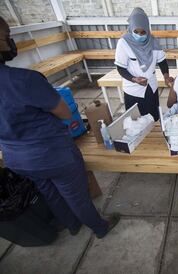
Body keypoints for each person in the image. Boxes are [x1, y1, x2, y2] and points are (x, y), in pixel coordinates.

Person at [0, 16, 119, 239]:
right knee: (76, 194)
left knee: (48, 190)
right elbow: (64, 112)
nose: (10, 41)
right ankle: (100, 227)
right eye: (7, 36)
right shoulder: (24, 80)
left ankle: (72, 225)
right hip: (51, 154)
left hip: (15, 158)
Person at [115, 8, 173, 121]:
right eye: (136, 32)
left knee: (153, 116)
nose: (140, 35)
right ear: (131, 28)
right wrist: (134, 79)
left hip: (151, 86)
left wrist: (166, 77)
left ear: (147, 29)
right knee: (136, 120)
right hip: (133, 88)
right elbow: (120, 68)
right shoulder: (124, 43)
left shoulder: (153, 42)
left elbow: (162, 62)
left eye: (143, 32)